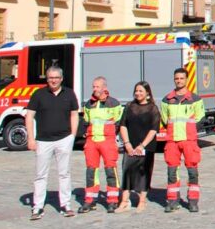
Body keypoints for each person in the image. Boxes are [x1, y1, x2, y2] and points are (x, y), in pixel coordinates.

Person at [25, 65, 79, 220]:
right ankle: (37, 207)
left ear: (61, 78)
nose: (53, 80)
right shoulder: (38, 94)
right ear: (47, 79)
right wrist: (31, 138)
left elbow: (74, 115)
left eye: (56, 77)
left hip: (64, 139)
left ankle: (65, 205)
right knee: (40, 175)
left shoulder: (69, 93)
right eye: (50, 78)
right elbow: (29, 116)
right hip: (43, 141)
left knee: (64, 174)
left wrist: (72, 136)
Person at [161, 67, 205, 213]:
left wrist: (190, 131)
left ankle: (193, 201)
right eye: (176, 78)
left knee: (192, 171)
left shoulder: (195, 99)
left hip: (189, 140)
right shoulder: (166, 100)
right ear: (174, 80)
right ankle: (173, 201)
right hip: (172, 140)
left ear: (186, 80)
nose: (179, 81)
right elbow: (165, 120)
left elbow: (200, 118)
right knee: (172, 172)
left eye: (181, 78)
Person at [78, 76, 123, 214]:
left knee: (111, 170)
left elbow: (119, 121)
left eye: (97, 87)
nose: (94, 89)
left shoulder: (114, 103)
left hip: (107, 140)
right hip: (92, 141)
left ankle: (113, 200)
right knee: (91, 171)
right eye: (93, 87)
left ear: (104, 87)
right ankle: (90, 200)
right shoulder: (88, 104)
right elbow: (86, 122)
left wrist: (111, 135)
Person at [116, 81, 160, 213]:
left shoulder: (153, 108)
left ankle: (142, 201)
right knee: (127, 171)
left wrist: (142, 145)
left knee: (143, 173)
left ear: (147, 93)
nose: (138, 93)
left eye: (141, 91)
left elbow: (154, 129)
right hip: (130, 144)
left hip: (146, 146)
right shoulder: (130, 106)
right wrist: (127, 143)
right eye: (136, 91)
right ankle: (124, 201)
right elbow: (123, 125)